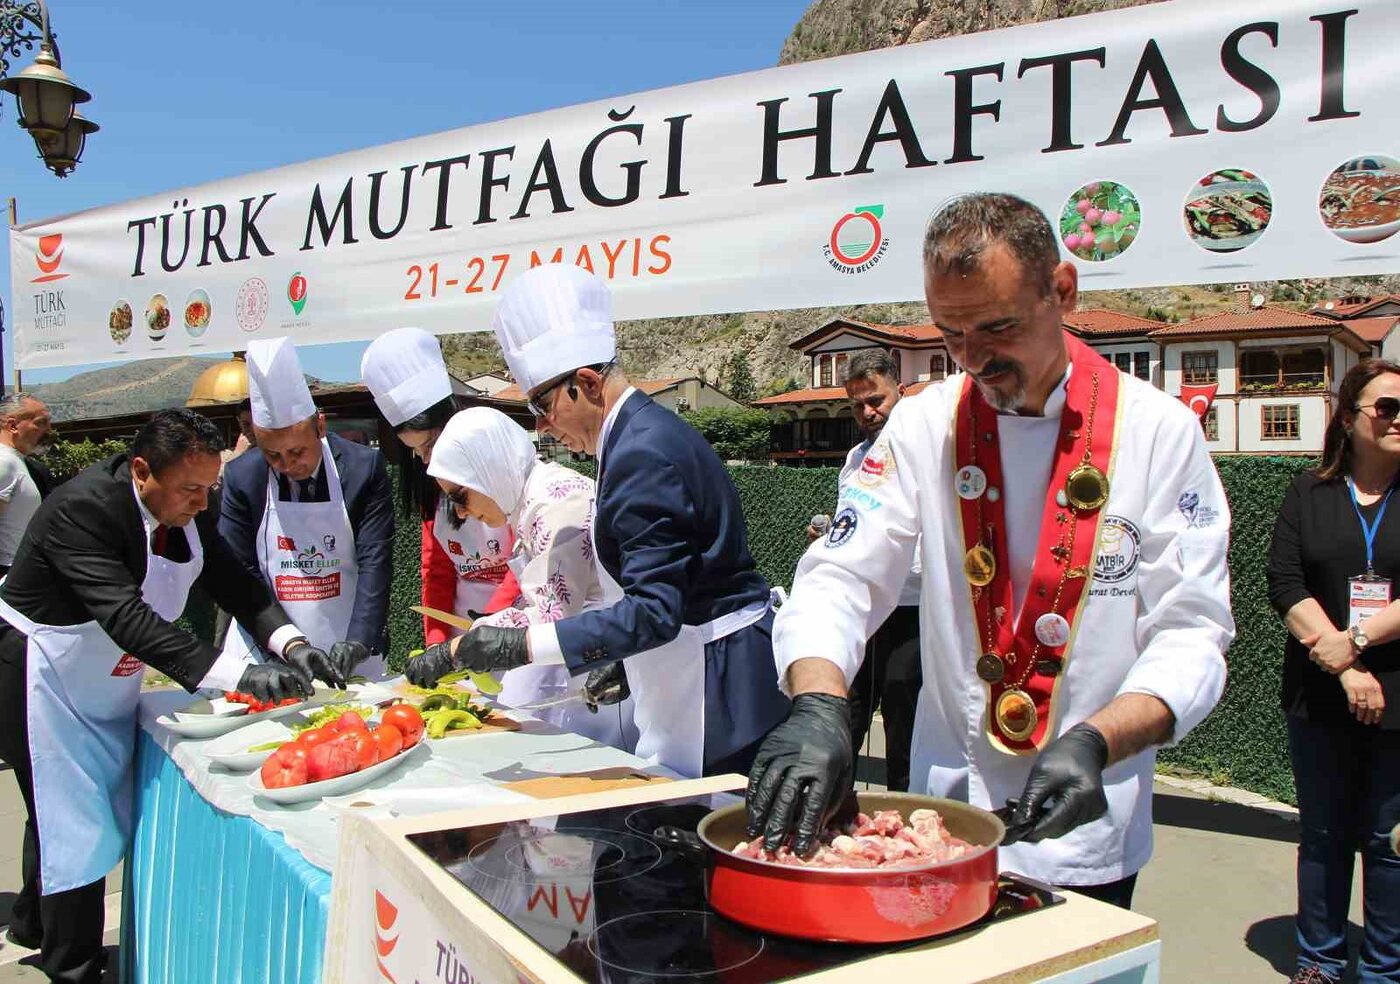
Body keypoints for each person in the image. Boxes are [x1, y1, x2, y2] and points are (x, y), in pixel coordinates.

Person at [746, 192, 1233, 907]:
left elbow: (1192, 628)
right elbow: (840, 576)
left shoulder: (1159, 431)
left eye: (998, 327)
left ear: (1061, 290)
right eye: (951, 334)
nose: (973, 359)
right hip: (943, 814)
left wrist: (1099, 740)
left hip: (1089, 813)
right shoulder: (922, 425)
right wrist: (818, 703)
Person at [409, 264, 790, 779]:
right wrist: (618, 659)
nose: (542, 426)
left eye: (542, 406)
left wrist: (514, 643)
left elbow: (654, 611)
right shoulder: (634, 438)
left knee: (701, 823)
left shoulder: (641, 453)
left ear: (586, 383)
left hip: (712, 684)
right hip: (685, 670)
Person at [0, 409, 334, 983]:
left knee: (68, 808)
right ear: (140, 470)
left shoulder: (186, 505)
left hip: (102, 674)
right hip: (39, 670)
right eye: (189, 490)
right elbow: (127, 617)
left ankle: (34, 923)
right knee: (74, 818)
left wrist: (291, 643)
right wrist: (239, 676)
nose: (201, 505)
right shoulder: (82, 510)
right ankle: (73, 966)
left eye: (209, 489)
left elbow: (234, 582)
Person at [1267, 358, 1400, 984]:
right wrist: (1345, 667)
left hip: (1397, 697)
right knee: (1322, 834)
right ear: (1349, 418)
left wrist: (1357, 639)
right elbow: (1284, 582)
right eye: (1388, 408)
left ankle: (1383, 969)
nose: (1399, 420)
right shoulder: (1307, 494)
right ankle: (1318, 960)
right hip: (1320, 695)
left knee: (1388, 842)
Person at [406, 406, 637, 748]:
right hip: (579, 653)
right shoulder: (529, 500)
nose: (460, 512)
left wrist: (457, 648)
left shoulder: (556, 504)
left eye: (460, 496)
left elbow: (552, 614)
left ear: (489, 469)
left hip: (596, 658)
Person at [219, 338, 394, 680]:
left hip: (347, 636)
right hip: (268, 641)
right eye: (272, 454)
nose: (286, 465)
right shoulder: (242, 477)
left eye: (297, 452)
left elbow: (375, 560)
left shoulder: (362, 468)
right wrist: (287, 643)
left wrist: (359, 641)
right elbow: (240, 573)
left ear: (321, 427)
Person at [360, 328, 519, 653]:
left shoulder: (505, 474)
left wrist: (490, 621)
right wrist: (436, 641)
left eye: (430, 443)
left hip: (516, 629)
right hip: (464, 639)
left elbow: (526, 560)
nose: (428, 460)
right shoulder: (433, 492)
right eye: (417, 452)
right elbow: (437, 571)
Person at [808, 349, 923, 791]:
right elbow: (852, 522)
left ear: (900, 390)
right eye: (857, 405)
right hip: (863, 606)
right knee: (847, 714)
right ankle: (835, 809)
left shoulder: (924, 449)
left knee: (902, 720)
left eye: (876, 400)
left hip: (914, 605)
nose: (868, 412)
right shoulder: (854, 459)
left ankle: (906, 823)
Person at [0, 394, 52, 576]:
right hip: (9, 574)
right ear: (12, 426)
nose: (49, 429)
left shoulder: (19, 462)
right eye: (41, 422)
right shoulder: (4, 462)